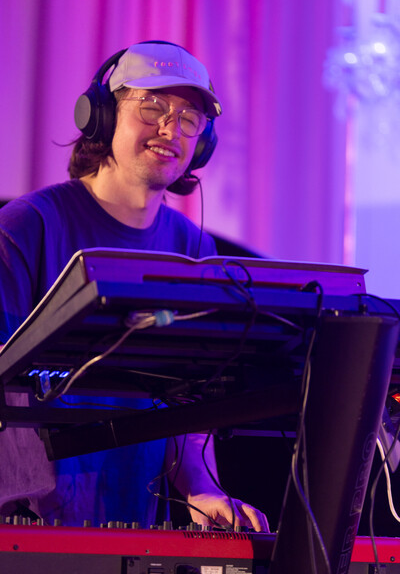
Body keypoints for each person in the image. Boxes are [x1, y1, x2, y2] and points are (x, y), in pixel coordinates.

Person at [0, 41, 269, 532]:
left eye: (189, 118)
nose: (170, 128)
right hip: (24, 525)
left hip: (135, 529)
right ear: (101, 116)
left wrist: (202, 489)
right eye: (152, 106)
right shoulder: (27, 226)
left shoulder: (195, 249)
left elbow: (190, 400)